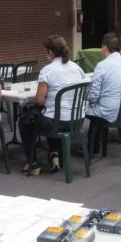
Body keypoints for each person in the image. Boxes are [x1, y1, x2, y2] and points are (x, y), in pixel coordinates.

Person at [19, 35, 86, 174]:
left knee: (26, 120)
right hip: (77, 121)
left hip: (57, 122)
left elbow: (39, 100)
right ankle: (54, 153)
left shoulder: (47, 70)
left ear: (50, 52)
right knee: (49, 114)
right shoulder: (77, 68)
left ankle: (33, 163)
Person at [86, 32, 121, 155]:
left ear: (104, 47)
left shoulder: (102, 66)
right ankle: (96, 145)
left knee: (85, 108)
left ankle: (91, 148)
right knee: (100, 106)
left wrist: (88, 99)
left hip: (110, 113)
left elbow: (93, 96)